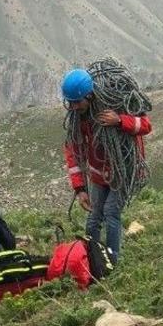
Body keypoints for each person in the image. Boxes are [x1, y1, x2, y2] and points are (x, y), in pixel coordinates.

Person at [61, 68, 152, 265]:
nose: (74, 107)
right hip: (98, 175)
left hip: (122, 171)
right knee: (94, 216)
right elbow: (73, 152)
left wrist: (120, 120)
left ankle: (112, 260)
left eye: (77, 102)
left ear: (90, 95)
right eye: (71, 103)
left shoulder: (116, 105)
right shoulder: (78, 120)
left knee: (111, 212)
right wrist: (79, 189)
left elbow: (145, 125)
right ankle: (92, 258)